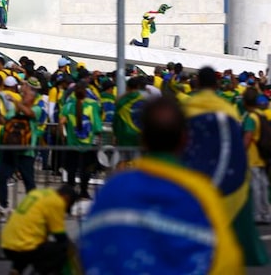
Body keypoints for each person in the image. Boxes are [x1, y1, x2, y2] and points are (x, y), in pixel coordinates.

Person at [79, 97, 243, 274]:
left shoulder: (113, 189)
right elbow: (226, 262)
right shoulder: (202, 192)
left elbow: (88, 250)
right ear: (185, 139)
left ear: (143, 139)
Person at [183, 66, 267, 265]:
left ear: (199, 83)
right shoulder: (226, 109)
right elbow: (235, 142)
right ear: (216, 84)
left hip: (193, 172)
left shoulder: (186, 106)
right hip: (222, 170)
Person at [0, 184, 77, 275]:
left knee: (31, 243)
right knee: (63, 249)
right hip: (24, 247)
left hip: (7, 244)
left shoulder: (37, 193)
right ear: (66, 198)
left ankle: (16, 270)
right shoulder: (57, 201)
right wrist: (73, 247)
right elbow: (59, 235)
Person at [0, 81, 42, 217]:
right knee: (2, 177)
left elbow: (29, 113)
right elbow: (5, 121)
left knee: (29, 180)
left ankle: (33, 207)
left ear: (33, 97)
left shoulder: (37, 109)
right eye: (23, 94)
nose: (23, 96)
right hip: (10, 149)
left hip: (26, 151)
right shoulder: (15, 109)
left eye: (26, 95)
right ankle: (3, 205)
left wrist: (16, 102)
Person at [60, 82, 102, 199]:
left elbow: (61, 121)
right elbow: (98, 126)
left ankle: (70, 191)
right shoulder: (92, 105)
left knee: (71, 168)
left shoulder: (68, 105)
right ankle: (84, 190)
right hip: (89, 144)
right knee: (87, 169)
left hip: (72, 143)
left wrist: (63, 136)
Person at [242, 87, 271, 224]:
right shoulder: (262, 114)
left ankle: (258, 214)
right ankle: (266, 213)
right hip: (263, 155)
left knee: (255, 186)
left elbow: (248, 137)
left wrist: (241, 152)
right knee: (264, 185)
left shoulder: (251, 117)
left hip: (252, 156)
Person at [112, 76, 145, 148]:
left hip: (123, 136)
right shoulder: (143, 101)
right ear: (138, 87)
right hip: (138, 137)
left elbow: (116, 121)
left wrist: (115, 135)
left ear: (127, 87)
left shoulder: (120, 102)